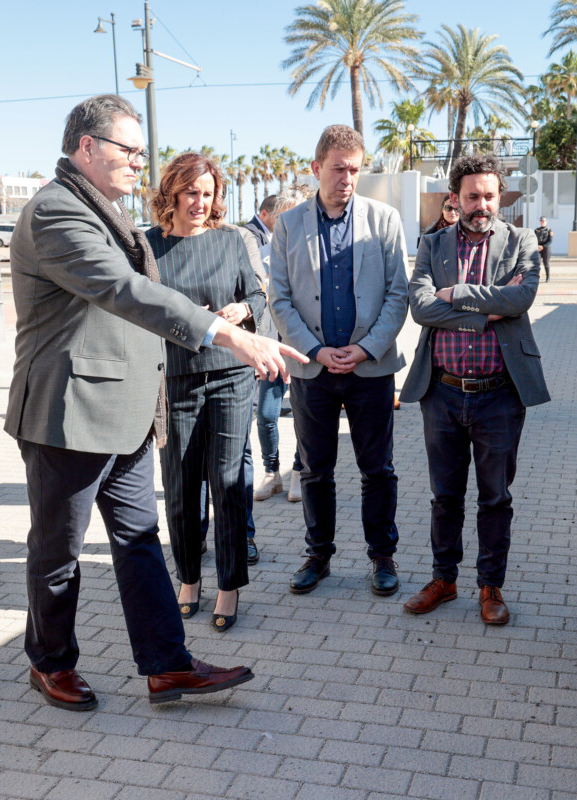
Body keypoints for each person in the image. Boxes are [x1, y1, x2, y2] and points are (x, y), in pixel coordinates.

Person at [5, 94, 306, 710]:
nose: (139, 161)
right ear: (87, 147)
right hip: (70, 413)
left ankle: (167, 666)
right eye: (128, 149)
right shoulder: (57, 211)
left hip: (127, 412)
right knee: (58, 552)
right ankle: (50, 663)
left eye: (143, 152)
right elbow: (124, 290)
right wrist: (229, 332)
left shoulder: (104, 209)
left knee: (140, 541)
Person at [399, 155, 550, 626]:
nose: (481, 204)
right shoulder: (432, 244)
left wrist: (457, 293)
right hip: (441, 393)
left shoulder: (522, 240)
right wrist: (484, 308)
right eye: (472, 196)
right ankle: (444, 580)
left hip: (499, 394)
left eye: (489, 195)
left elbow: (521, 298)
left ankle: (491, 586)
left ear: (499, 196)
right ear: (455, 198)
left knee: (494, 497)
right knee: (445, 496)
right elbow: (421, 308)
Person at [268, 124, 409, 597]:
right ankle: (318, 554)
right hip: (313, 370)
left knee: (378, 470)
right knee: (315, 470)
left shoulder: (385, 220)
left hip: (370, 368)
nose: (347, 177)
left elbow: (397, 293)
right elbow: (280, 298)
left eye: (354, 169)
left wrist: (367, 348)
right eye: (338, 168)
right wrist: (315, 349)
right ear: (316, 169)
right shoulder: (288, 225)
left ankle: (382, 556)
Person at [146, 152, 266, 633]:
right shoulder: (148, 245)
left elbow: (258, 296)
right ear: (172, 192)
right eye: (191, 192)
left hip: (230, 374)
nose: (200, 202)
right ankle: (189, 578)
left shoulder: (232, 240)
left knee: (226, 481)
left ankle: (230, 584)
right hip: (174, 378)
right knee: (179, 484)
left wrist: (243, 309)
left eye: (208, 193)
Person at [250, 189, 307, 504]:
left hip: (303, 351)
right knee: (267, 416)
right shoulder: (262, 255)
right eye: (286, 216)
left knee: (303, 415)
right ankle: (271, 472)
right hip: (270, 349)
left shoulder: (313, 255)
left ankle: (298, 472)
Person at [534, 217, 552, 282]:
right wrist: (537, 246)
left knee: (546, 263)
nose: (542, 222)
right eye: (541, 221)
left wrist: (543, 246)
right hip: (538, 249)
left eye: (543, 221)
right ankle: (536, 277)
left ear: (546, 221)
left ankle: (548, 277)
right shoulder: (536, 230)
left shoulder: (549, 230)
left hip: (546, 249)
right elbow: (534, 239)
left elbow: (550, 241)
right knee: (537, 263)